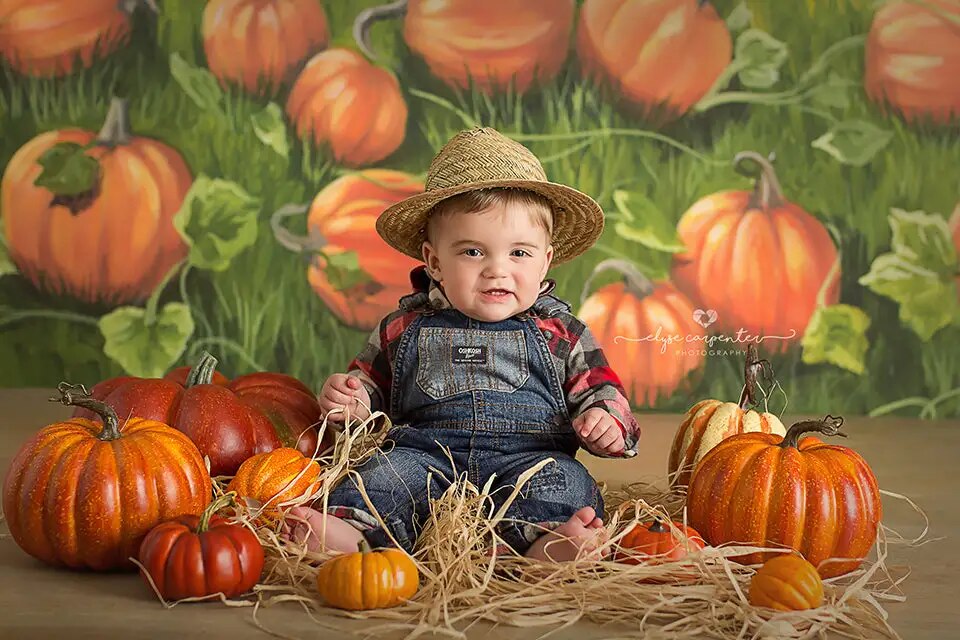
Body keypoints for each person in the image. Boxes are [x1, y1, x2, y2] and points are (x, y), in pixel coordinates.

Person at [286, 127, 640, 562]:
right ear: (435, 262)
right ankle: (351, 533)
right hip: (426, 457)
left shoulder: (562, 333)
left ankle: (542, 544)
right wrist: (351, 403)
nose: (497, 270)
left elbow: (603, 391)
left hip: (529, 461)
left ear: (546, 259)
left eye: (519, 253)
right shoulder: (403, 326)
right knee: (381, 477)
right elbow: (367, 393)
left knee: (565, 482)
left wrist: (605, 421)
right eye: (473, 252)